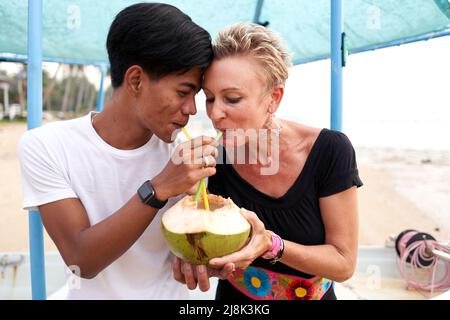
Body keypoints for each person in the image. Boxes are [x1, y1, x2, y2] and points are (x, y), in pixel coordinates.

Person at [18, 3, 228, 299]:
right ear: (136, 80)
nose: (191, 110)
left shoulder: (184, 155)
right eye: (183, 92)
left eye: (196, 96)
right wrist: (158, 189)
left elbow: (192, 245)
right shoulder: (47, 146)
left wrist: (197, 257)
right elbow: (81, 260)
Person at [173, 23, 363, 300]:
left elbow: (343, 264)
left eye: (232, 99)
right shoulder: (212, 163)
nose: (215, 114)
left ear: (273, 98)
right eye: (210, 98)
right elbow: (204, 250)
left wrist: (271, 245)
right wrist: (196, 259)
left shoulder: (330, 150)